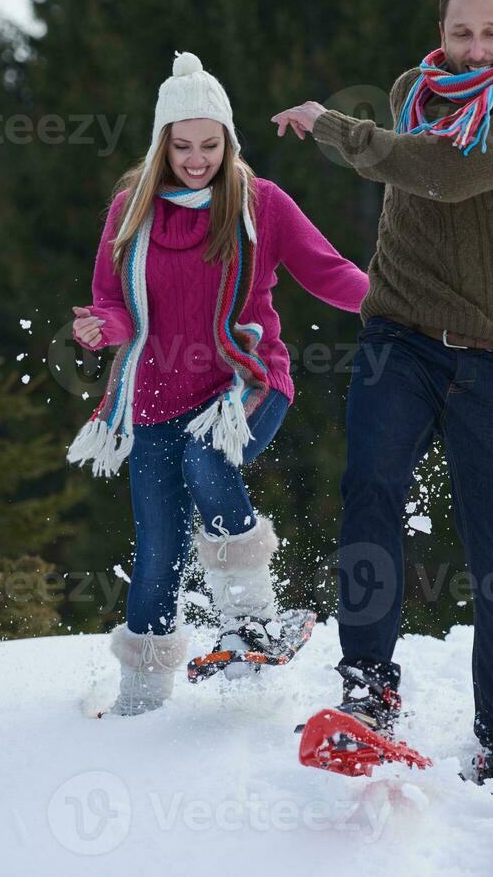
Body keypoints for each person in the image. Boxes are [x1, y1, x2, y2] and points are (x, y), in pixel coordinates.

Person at [271, 0, 493, 789]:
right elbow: (410, 153)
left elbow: (439, 172)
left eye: (491, 32)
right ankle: (367, 694)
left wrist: (336, 129)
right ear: (441, 32)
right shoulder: (413, 89)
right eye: (460, 31)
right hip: (397, 336)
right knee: (368, 489)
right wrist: (368, 137)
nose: (475, 48)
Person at [69, 52, 368, 715]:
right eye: (182, 146)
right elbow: (112, 303)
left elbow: (327, 272)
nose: (197, 159)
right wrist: (101, 328)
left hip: (245, 384)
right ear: (160, 145)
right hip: (152, 400)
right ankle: (139, 702)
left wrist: (391, 302)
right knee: (158, 550)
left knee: (207, 461)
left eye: (210, 145)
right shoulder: (129, 214)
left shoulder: (260, 204)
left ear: (228, 141)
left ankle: (250, 621)